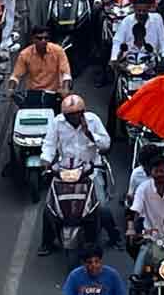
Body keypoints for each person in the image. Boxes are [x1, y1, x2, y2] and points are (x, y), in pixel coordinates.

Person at [39, 94, 121, 253]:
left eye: (78, 114)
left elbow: (105, 144)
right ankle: (46, 242)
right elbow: (49, 144)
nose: (75, 118)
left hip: (90, 171)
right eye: (71, 115)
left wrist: (89, 133)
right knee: (50, 207)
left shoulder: (93, 121)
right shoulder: (57, 123)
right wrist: (46, 162)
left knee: (101, 206)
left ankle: (114, 236)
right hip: (66, 172)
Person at [10, 25, 73, 92]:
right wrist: (10, 89)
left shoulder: (58, 51)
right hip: (34, 93)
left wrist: (65, 89)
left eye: (46, 38)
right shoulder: (25, 54)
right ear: (33, 39)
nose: (43, 41)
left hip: (55, 92)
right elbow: (15, 76)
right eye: (39, 38)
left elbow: (66, 73)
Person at [62, 247, 127, 295]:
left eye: (97, 261)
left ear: (101, 261)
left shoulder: (112, 275)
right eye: (89, 262)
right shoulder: (74, 276)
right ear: (83, 263)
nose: (94, 266)